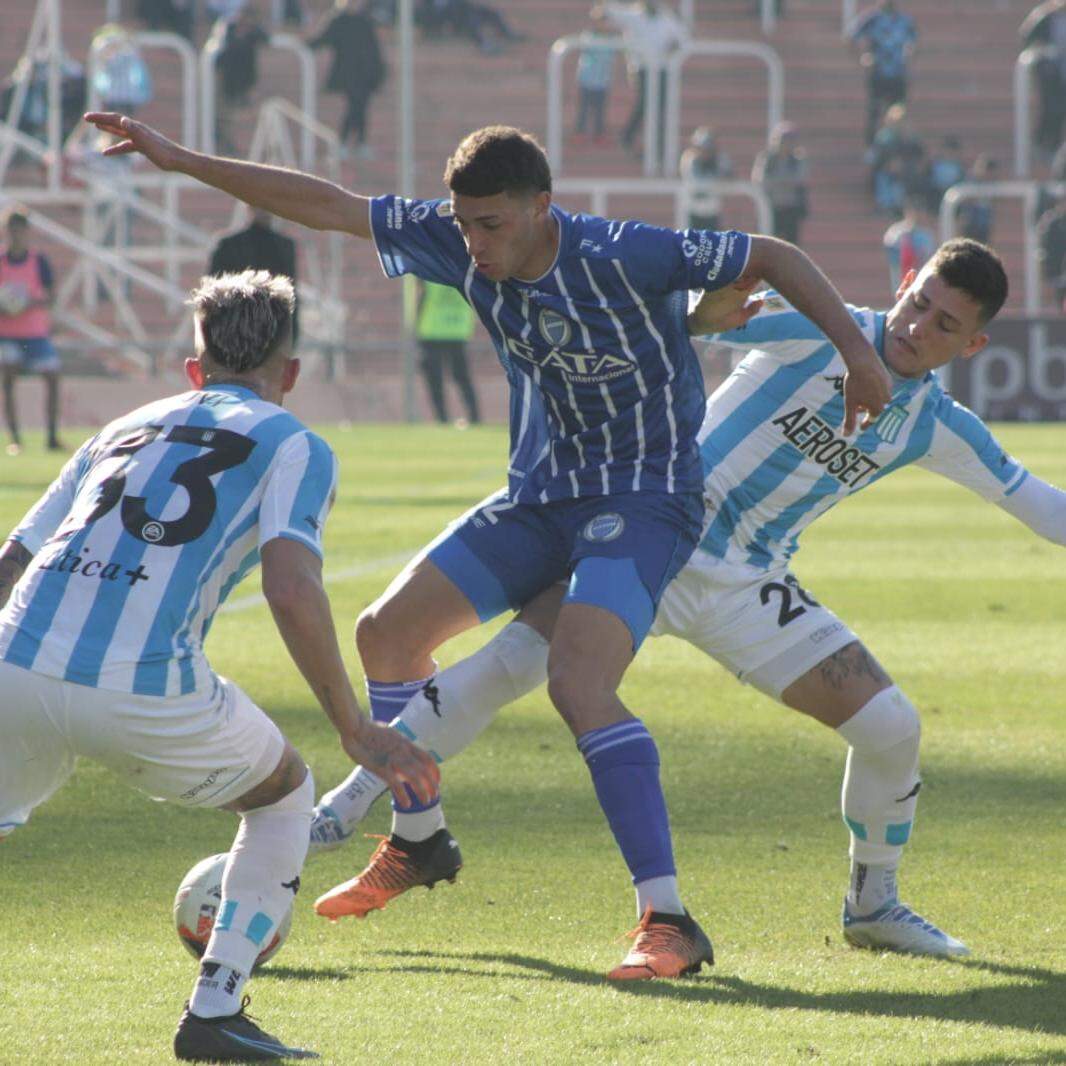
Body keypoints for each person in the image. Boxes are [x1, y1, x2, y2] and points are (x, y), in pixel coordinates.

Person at [82, 109, 891, 979]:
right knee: (386, 632)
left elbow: (772, 254)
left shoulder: (626, 250)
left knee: (578, 686)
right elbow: (326, 205)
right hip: (539, 496)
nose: (472, 242)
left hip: (645, 496)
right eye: (463, 222)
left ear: (543, 205)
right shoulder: (452, 238)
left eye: (491, 224)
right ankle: (421, 842)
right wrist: (176, 159)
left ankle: (668, 919)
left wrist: (858, 353)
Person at [311, 240, 1059, 960]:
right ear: (905, 284)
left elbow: (1042, 508)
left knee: (893, 728)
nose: (916, 326)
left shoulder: (935, 424)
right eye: (918, 302)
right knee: (514, 664)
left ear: (972, 347)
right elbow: (695, 319)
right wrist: (708, 308)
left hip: (745, 581)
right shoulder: (820, 328)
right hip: (650, 531)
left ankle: (873, 905)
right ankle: (340, 812)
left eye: (943, 325)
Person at [0, 269, 438, 1062]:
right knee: (284, 793)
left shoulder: (121, 426)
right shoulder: (297, 442)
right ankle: (215, 1010)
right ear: (291, 374)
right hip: (143, 686)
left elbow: (13, 560)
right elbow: (292, 586)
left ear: (193, 369)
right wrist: (352, 725)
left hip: (15, 660)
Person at [0, 207, 61, 456]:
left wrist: (28, 303)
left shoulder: (39, 261)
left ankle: (51, 437)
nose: (16, 235)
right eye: (11, 230)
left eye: (20, 230)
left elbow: (51, 297)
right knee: (9, 377)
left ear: (27, 232)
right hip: (7, 334)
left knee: (53, 376)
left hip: (36, 334)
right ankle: (15, 438)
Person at [603, 1, 685, 163]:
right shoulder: (633, 15)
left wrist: (675, 45)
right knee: (646, 102)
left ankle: (656, 146)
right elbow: (609, 11)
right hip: (642, 68)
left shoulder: (666, 17)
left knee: (660, 107)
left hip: (662, 69)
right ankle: (629, 136)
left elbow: (682, 38)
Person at [308, 0, 387, 160]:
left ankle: (359, 143)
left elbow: (374, 48)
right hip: (348, 73)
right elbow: (323, 39)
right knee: (355, 107)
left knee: (361, 108)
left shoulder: (366, 20)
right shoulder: (339, 20)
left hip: (366, 73)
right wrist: (305, 44)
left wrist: (379, 71)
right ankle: (345, 143)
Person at [209, 208, 299, 345]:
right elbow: (213, 295)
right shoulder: (228, 246)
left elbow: (291, 295)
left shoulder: (284, 247)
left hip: (260, 331)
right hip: (238, 332)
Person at [850, 0, 918, 146]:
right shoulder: (871, 19)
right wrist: (862, 58)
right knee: (875, 112)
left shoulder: (904, 20)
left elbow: (914, 42)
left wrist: (909, 56)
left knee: (899, 112)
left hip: (898, 73)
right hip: (878, 73)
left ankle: (898, 144)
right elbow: (851, 37)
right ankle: (872, 147)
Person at [415, 278, 480, 425]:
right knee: (462, 377)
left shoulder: (427, 269)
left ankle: (442, 418)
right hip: (458, 327)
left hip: (431, 329)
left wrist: (415, 324)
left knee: (435, 379)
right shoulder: (464, 269)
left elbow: (420, 296)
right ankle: (474, 417)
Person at [208, 4, 269, 157]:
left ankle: (248, 148)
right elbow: (220, 54)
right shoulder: (227, 28)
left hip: (245, 81)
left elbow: (265, 39)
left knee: (240, 115)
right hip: (226, 80)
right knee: (223, 115)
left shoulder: (254, 33)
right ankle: (223, 144)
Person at [1019, 0, 1066, 157]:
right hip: (1052, 71)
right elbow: (1027, 37)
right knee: (1053, 108)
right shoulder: (1045, 16)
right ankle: (1045, 143)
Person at [752, 121, 809, 245]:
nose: (785, 144)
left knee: (792, 245)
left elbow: (799, 179)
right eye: (782, 140)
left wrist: (778, 181)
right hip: (771, 208)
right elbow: (760, 180)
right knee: (768, 244)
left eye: (789, 140)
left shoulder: (798, 160)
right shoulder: (767, 159)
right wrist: (784, 181)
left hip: (791, 209)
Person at [573, 7, 616, 144]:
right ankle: (579, 133)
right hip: (587, 79)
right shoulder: (588, 37)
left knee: (599, 110)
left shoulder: (612, 40)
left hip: (602, 81)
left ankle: (599, 134)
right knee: (584, 109)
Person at [679, 126, 734, 232]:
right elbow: (697, 182)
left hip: (713, 212)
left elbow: (728, 178)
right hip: (692, 211)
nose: (706, 152)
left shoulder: (720, 159)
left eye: (709, 148)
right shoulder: (689, 159)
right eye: (702, 148)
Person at [883, 195, 935, 290]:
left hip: (918, 269)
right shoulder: (896, 230)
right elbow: (889, 245)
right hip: (901, 269)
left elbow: (929, 253)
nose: (915, 215)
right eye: (912, 211)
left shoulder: (925, 234)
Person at [956, 154, 997, 245]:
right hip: (970, 223)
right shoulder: (970, 181)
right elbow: (965, 201)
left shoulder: (993, 185)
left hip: (983, 225)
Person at [1036, 195, 1066, 311]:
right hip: (1055, 262)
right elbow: (1045, 243)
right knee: (1056, 286)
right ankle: (1056, 307)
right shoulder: (1052, 223)